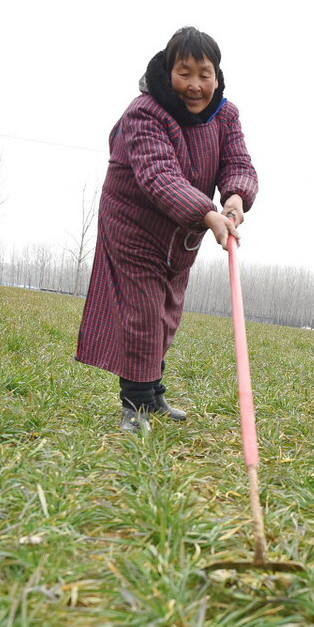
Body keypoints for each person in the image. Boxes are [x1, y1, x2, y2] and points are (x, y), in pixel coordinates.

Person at [76, 27, 258, 433]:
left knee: (168, 311)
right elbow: (159, 176)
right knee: (142, 310)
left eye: (204, 74)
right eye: (184, 72)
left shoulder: (225, 115)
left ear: (217, 75)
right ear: (167, 70)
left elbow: (238, 164)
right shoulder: (145, 112)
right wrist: (207, 213)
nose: (195, 85)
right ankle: (136, 404)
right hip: (134, 223)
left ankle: (153, 392)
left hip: (182, 233)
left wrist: (234, 199)